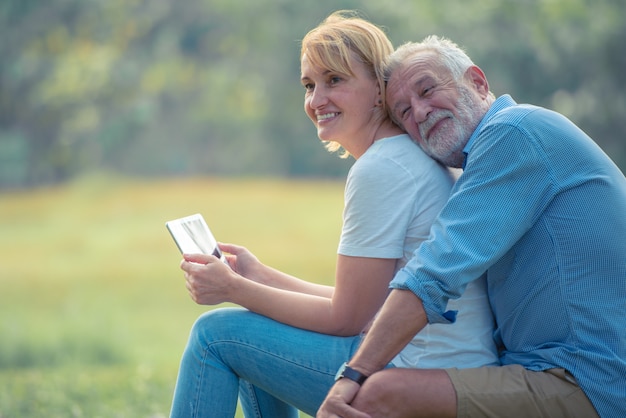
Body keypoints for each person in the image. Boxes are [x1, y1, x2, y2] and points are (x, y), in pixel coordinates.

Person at [169, 13, 499, 418]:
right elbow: (370, 305)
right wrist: (258, 277)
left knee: (214, 336)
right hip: (444, 368)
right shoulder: (404, 156)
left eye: (335, 80)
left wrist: (233, 290)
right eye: (310, 85)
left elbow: (348, 319)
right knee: (257, 327)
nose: (316, 99)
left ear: (379, 90)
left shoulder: (383, 168)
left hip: (416, 375)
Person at [317, 35, 626, 418]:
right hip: (550, 369)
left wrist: (353, 373)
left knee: (377, 392)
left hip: (589, 380)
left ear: (477, 82)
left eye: (427, 90)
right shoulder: (486, 158)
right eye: (404, 113)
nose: (421, 112)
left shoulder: (513, 133)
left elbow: (435, 270)